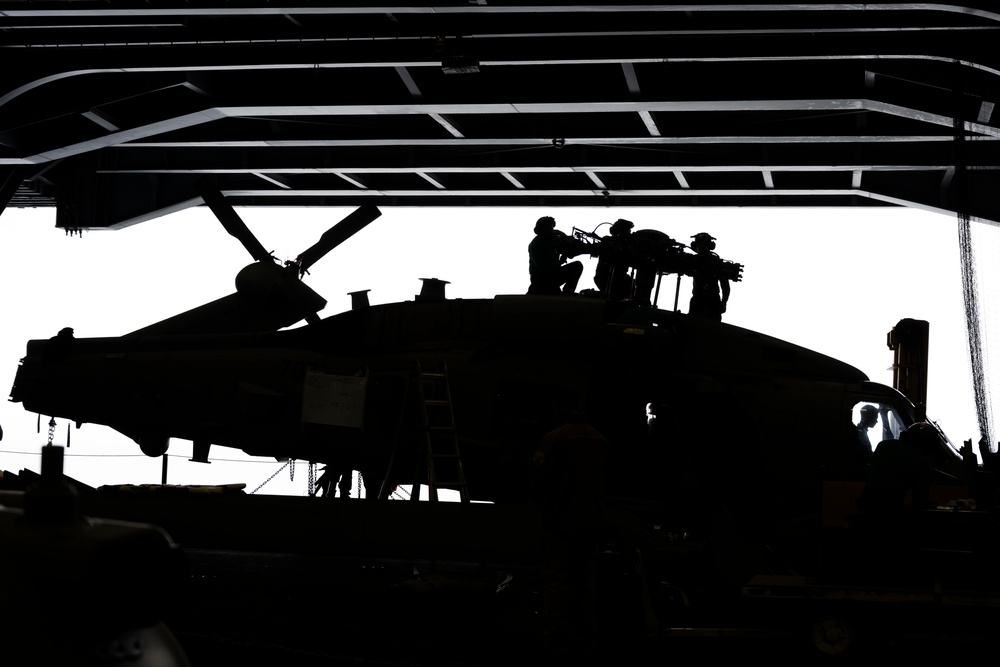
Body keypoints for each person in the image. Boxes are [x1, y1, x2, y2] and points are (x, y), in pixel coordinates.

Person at [533, 397, 608, 657]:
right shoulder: (600, 439)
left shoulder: (553, 438)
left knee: (557, 585)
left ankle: (556, 644)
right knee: (587, 584)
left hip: (559, 522)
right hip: (591, 523)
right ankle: (586, 642)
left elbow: (538, 477)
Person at [527, 216, 585, 295]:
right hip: (541, 278)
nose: (551, 231)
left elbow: (568, 242)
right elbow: (544, 268)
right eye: (548, 228)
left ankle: (567, 294)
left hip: (554, 273)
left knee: (577, 266)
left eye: (551, 227)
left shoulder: (557, 235)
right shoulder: (535, 245)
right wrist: (560, 262)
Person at [688, 232, 730, 320]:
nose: (701, 246)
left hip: (713, 301)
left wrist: (724, 302)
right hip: (697, 300)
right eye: (699, 244)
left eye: (704, 244)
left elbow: (725, 284)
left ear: (709, 246)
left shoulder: (716, 262)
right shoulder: (693, 260)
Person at [593, 218, 635, 300]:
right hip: (605, 278)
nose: (628, 232)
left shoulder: (627, 245)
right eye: (626, 230)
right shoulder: (608, 241)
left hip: (620, 278)